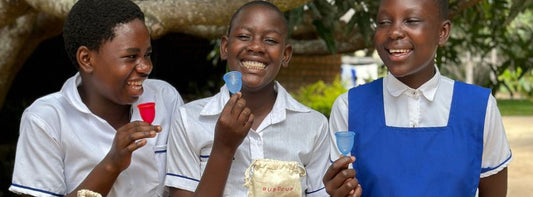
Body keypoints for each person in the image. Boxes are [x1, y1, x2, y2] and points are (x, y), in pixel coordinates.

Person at [323, 0, 512, 196]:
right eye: (383, 22)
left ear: (442, 32)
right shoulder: (349, 107)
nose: (394, 32)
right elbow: (343, 187)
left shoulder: (479, 108)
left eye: (411, 20)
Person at [9, 0, 184, 196]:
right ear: (86, 59)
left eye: (147, 54)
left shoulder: (164, 98)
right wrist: (111, 165)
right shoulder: (46, 120)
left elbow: (185, 185)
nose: (145, 67)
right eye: (130, 57)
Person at [165, 1, 330, 196]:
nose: (256, 46)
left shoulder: (313, 126)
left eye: (270, 40)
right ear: (225, 47)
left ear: (286, 55)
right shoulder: (189, 120)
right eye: (244, 36)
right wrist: (224, 148)